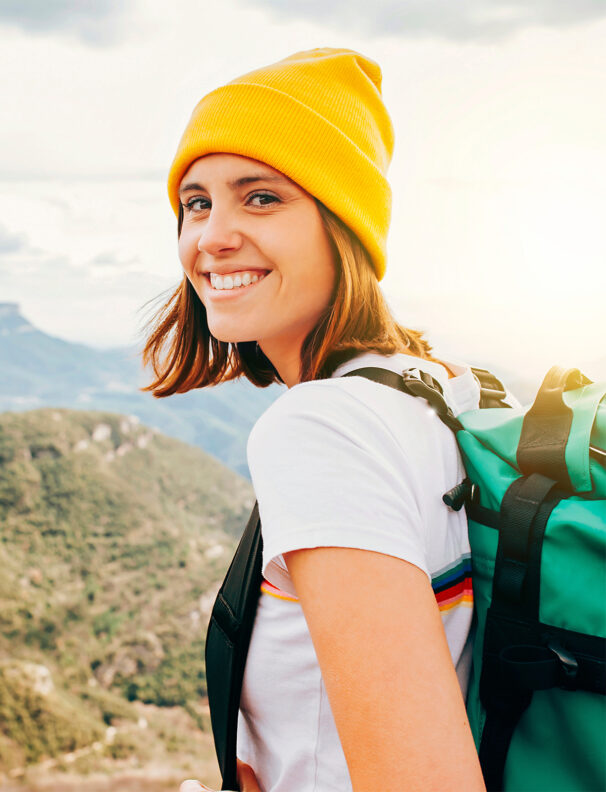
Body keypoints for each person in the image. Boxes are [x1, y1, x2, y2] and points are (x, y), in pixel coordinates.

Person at [143, 49, 489, 791]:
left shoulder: (322, 428)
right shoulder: (442, 388)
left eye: (260, 197)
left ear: (345, 227)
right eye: (196, 203)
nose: (212, 236)